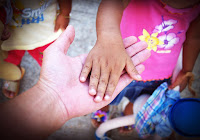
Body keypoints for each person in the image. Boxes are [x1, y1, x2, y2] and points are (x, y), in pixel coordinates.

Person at [0, 25, 151, 140]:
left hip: (153, 73)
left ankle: (128, 112)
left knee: (116, 87)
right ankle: (105, 110)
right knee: (104, 89)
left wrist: (51, 95)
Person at [90, 0, 200, 130]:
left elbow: (194, 38)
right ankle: (103, 107)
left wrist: (186, 71)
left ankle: (128, 114)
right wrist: (108, 37)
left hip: (160, 75)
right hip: (120, 67)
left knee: (142, 102)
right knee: (105, 94)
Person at [0, 0, 72, 98]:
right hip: (11, 32)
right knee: (10, 59)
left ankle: (56, 80)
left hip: (44, 29)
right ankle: (14, 75)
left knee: (51, 60)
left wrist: (65, 13)